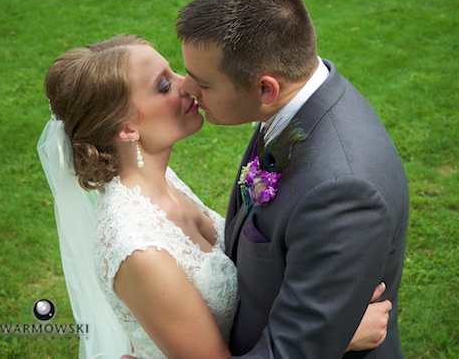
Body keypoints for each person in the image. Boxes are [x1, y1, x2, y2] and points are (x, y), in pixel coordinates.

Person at [38, 34, 392, 359]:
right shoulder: (138, 250)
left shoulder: (161, 182)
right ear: (127, 129)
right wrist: (336, 336)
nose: (188, 85)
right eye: (164, 85)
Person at [176, 0, 409, 358]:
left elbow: (293, 351)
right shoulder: (295, 105)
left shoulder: (344, 192)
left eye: (204, 82)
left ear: (266, 88)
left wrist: (330, 340)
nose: (186, 88)